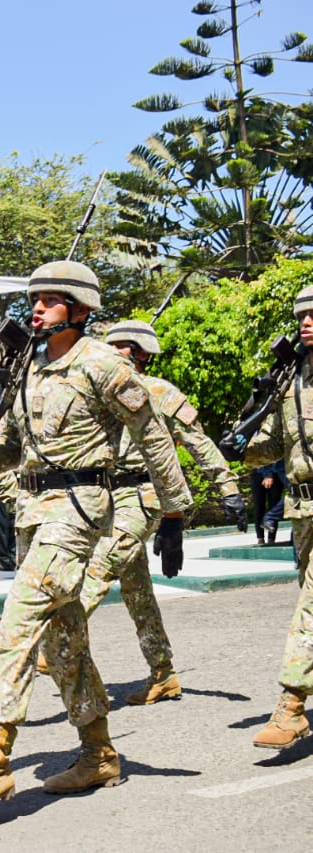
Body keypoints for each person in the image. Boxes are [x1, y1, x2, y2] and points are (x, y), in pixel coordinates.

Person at [0, 261, 191, 818]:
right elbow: (12, 444)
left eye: (50, 300)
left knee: (18, 621)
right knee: (64, 638)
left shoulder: (103, 363)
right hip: (35, 511)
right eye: (36, 299)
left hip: (79, 510)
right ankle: (99, 753)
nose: (37, 308)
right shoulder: (31, 363)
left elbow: (154, 436)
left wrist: (173, 514)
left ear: (79, 309)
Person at [51, 320, 244, 705]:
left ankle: (56, 641)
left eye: (121, 347)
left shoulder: (159, 391)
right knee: (137, 592)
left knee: (100, 568)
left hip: (143, 496)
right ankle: (163, 673)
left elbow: (197, 442)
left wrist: (229, 488)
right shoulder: (95, 391)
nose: (112, 353)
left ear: (139, 353)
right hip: (106, 498)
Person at [236, 284, 313, 750]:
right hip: (303, 507)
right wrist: (240, 444)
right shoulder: (293, 378)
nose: (306, 321)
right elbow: (275, 443)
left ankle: (291, 705)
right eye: (301, 315)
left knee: (311, 608)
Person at [0, 470, 19, 573]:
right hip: (2, 492)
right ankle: (4, 560)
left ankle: (12, 557)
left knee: (13, 525)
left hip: (14, 492)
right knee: (2, 527)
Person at [256, 461, 288, 546]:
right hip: (262, 470)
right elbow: (266, 453)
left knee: (274, 503)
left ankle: (271, 538)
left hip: (278, 470)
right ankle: (260, 538)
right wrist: (268, 474)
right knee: (259, 506)